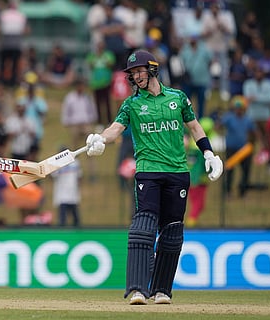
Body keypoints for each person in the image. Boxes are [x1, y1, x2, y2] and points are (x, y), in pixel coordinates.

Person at [84, 50, 223, 305]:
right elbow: (116, 128)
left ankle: (162, 291)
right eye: (132, 74)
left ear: (152, 70)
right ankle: (137, 290)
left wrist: (208, 154)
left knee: (171, 231)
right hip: (148, 171)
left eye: (139, 71)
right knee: (143, 227)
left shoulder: (178, 98)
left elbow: (194, 126)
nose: (136, 77)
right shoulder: (132, 104)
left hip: (178, 172)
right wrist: (101, 138)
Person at [51, 146, 82, 227]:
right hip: (62, 194)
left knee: (75, 216)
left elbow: (79, 177)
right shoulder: (57, 164)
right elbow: (53, 175)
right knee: (62, 218)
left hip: (72, 193)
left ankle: (77, 231)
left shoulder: (75, 162)